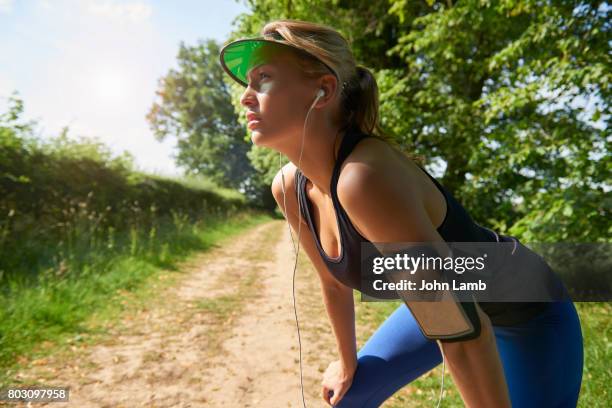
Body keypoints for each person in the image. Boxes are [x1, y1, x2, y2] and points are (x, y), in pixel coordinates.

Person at [219, 19, 584, 407]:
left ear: (322, 90)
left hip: (528, 311)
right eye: (249, 82)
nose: (246, 96)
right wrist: (346, 362)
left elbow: (461, 334)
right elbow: (333, 283)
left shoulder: (364, 179)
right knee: (346, 399)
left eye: (264, 78)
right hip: (459, 309)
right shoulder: (289, 188)